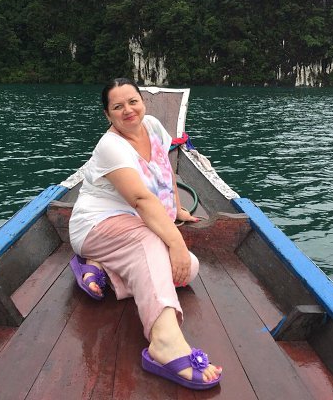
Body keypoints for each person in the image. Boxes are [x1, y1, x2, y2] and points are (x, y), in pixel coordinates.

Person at [68, 78, 222, 390]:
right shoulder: (111, 147)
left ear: (143, 102)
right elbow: (140, 199)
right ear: (107, 114)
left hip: (133, 223)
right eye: (117, 106)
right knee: (152, 244)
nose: (128, 110)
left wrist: (176, 210)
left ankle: (101, 267)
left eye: (132, 101)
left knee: (188, 269)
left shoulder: (152, 126)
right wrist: (176, 243)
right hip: (97, 225)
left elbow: (165, 171)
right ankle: (165, 344)